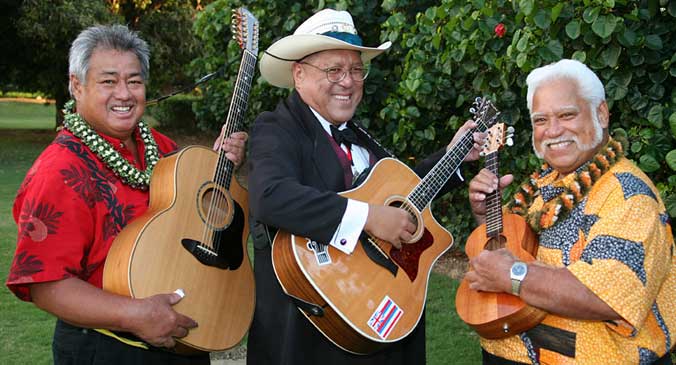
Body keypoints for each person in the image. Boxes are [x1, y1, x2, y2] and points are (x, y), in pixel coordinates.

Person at [247, 8, 485, 365]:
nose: (348, 81)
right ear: (299, 75)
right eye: (334, 70)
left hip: (373, 316)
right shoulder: (277, 128)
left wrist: (453, 156)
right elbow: (269, 196)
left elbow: (403, 195)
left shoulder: (357, 135)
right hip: (312, 333)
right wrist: (367, 217)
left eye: (356, 70)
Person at [5, 24, 247, 364]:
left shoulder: (158, 147)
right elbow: (46, 284)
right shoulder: (59, 171)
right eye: (108, 81)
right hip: (108, 349)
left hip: (180, 341)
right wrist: (135, 315)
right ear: (77, 85)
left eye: (134, 81)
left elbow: (190, 215)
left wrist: (220, 165)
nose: (124, 93)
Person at [465, 59, 675, 364]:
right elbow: (501, 247)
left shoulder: (628, 194)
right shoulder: (544, 182)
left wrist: (513, 275)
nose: (553, 131)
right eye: (540, 120)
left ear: (600, 114)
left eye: (566, 115)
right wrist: (486, 215)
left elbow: (605, 295)